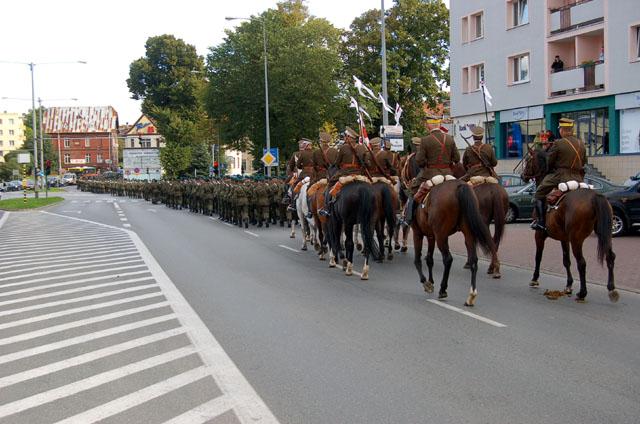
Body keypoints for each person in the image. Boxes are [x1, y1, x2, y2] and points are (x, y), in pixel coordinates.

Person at [532, 117, 587, 231]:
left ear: (562, 130)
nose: (560, 131)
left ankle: (541, 223)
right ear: (571, 130)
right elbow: (584, 161)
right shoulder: (581, 144)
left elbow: (549, 161)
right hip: (578, 178)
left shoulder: (558, 143)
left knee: (539, 192)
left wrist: (549, 169)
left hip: (561, 175)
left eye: (560, 129)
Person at [401, 118, 460, 225]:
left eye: (427, 125)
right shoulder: (450, 139)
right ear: (439, 125)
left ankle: (408, 218)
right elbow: (457, 158)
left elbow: (419, 160)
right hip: (448, 174)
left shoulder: (425, 140)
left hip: (430, 174)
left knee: (412, 190)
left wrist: (425, 165)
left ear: (429, 126)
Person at [319, 126, 369, 216]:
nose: (345, 138)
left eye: (346, 136)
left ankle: (326, 208)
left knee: (330, 185)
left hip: (345, 174)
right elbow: (366, 164)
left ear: (349, 137)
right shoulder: (362, 148)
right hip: (359, 174)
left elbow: (337, 163)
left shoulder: (343, 148)